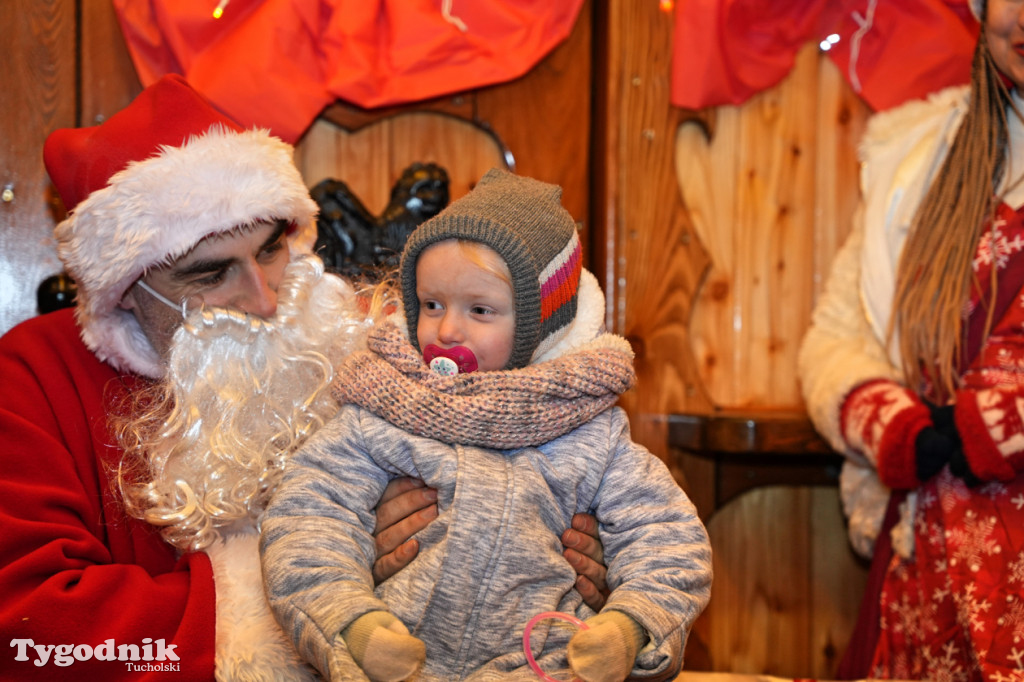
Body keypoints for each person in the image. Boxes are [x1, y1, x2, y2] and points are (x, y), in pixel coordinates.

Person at [0, 76, 607, 680]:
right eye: (211, 276)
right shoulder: (32, 378)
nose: (264, 299)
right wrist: (319, 582)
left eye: (270, 250)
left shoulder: (379, 347)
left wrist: (572, 558)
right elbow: (29, 636)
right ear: (128, 292)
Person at [260, 168, 713, 682]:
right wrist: (351, 624)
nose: (447, 329)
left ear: (542, 322)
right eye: (431, 305)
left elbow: (667, 537)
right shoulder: (380, 407)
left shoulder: (591, 432)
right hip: (397, 662)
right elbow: (308, 516)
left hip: (548, 668)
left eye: (480, 309)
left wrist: (630, 629)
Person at [799, 0, 1024, 678]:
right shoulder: (916, 156)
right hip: (930, 566)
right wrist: (891, 424)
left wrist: (999, 420)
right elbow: (837, 335)